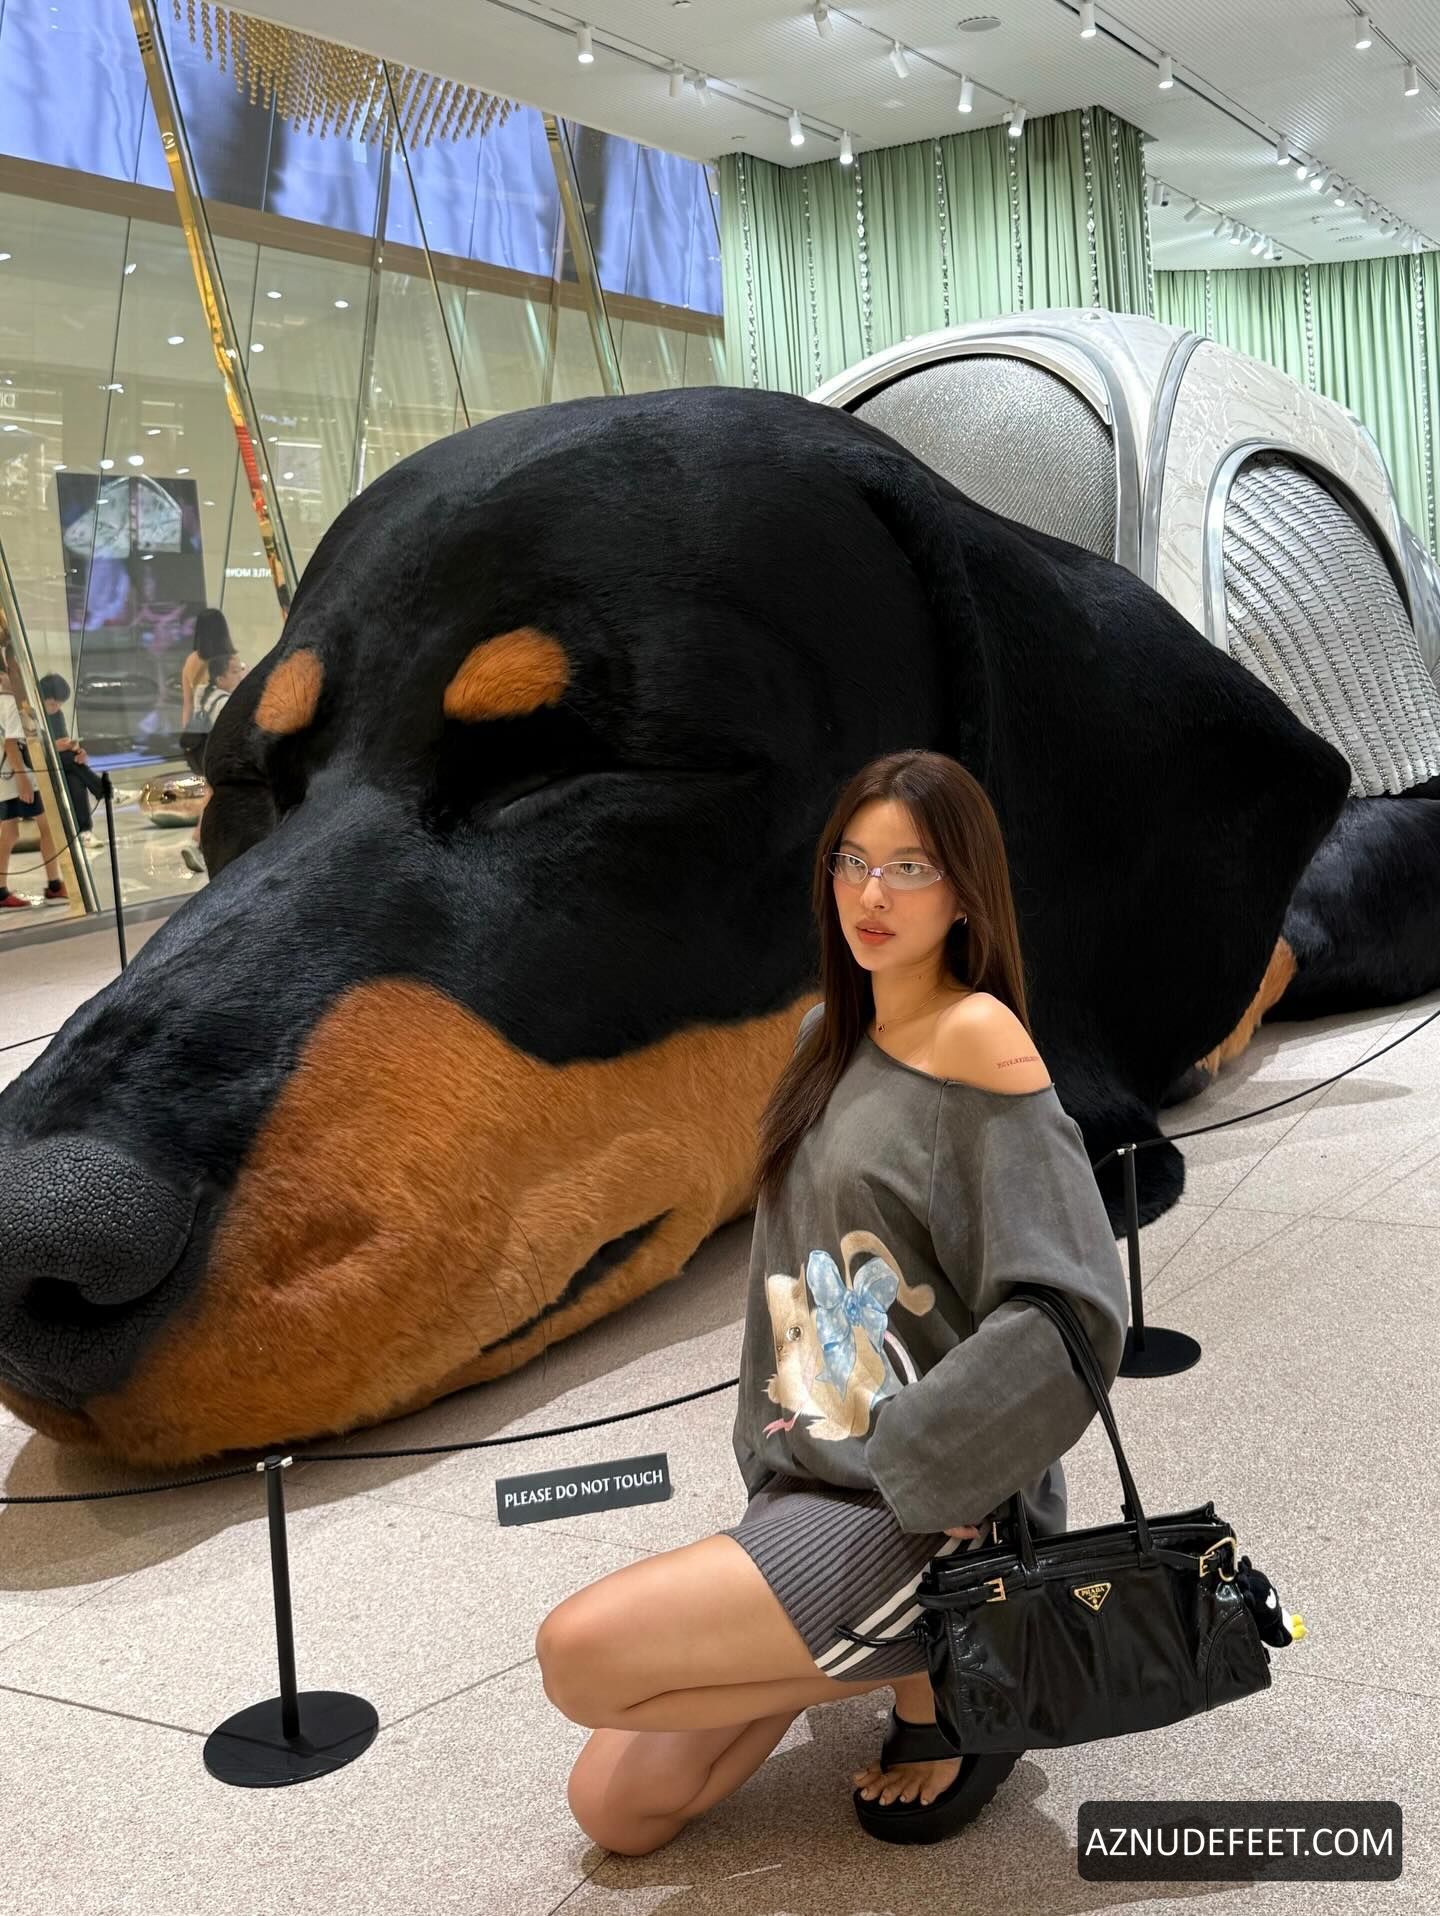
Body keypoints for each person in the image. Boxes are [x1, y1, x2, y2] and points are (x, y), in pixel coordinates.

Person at [534, 748, 1129, 1852]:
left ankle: (945, 1659)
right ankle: (900, 1656)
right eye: (853, 861)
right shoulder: (826, 1038)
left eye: (911, 867)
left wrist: (936, 1465)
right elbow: (788, 1270)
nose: (872, 893)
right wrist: (771, 1452)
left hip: (921, 1501)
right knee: (617, 1809)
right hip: (813, 1471)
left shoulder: (980, 1042)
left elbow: (1076, 1305)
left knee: (577, 1655)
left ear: (965, 893)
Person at [0, 669, 68, 910]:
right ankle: (53, 884)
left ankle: (53, 884)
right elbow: (11, 744)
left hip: (14, 775)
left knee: (13, 832)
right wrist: (23, 779)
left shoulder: (13, 701)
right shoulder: (11, 702)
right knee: (38, 828)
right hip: (15, 776)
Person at [180, 650, 246, 875]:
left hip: (202, 756)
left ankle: (200, 845)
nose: (240, 676)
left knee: (213, 798)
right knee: (215, 798)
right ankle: (197, 843)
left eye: (240, 669)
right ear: (220, 679)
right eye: (235, 672)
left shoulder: (204, 694)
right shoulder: (223, 702)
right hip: (218, 759)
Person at [37, 673, 105, 847]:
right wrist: (56, 746)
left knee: (75, 779)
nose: (56, 708)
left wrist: (77, 750)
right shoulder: (33, 716)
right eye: (53, 704)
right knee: (71, 762)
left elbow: (63, 742)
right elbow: (34, 747)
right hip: (39, 763)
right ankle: (103, 789)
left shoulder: (56, 715)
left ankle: (84, 832)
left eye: (59, 704)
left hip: (61, 762)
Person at [179, 607, 233, 732]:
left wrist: (186, 732)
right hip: (223, 723)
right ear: (223, 631)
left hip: (200, 725)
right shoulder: (230, 660)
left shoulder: (191, 660)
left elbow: (188, 703)